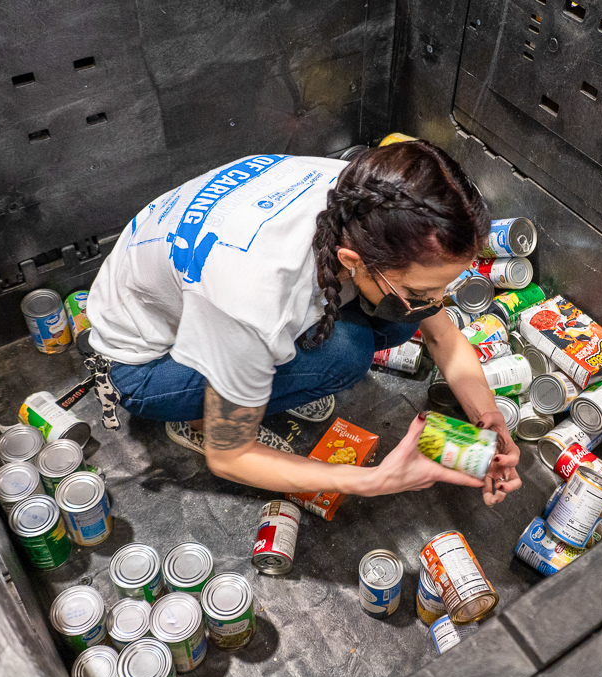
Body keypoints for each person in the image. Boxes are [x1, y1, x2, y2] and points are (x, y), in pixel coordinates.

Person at [86, 140, 522, 505]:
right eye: (423, 290)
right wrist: (373, 481)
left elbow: (441, 333)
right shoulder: (251, 296)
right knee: (346, 354)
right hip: (145, 366)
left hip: (200, 297)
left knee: (400, 320)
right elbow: (230, 457)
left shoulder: (365, 198)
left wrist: (489, 414)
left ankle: (256, 382)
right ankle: (198, 417)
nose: (436, 303)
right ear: (353, 260)